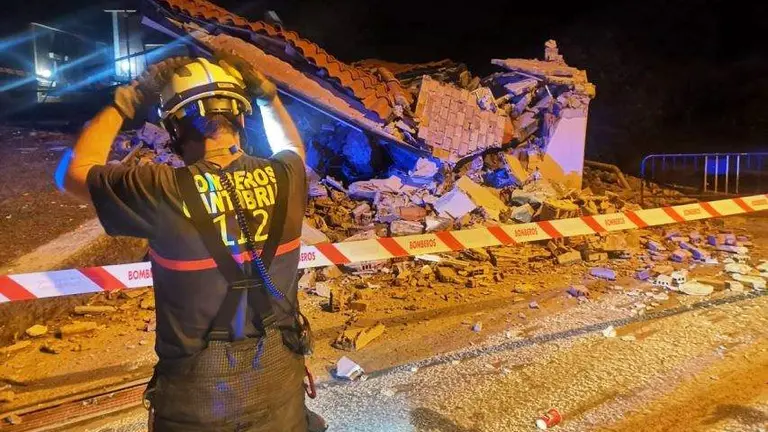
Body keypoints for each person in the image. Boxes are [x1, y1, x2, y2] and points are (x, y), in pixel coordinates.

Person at [58, 56, 326, 431]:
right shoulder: (288, 177)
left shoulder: (161, 189)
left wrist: (126, 101)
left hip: (197, 404)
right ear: (242, 119)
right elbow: (293, 149)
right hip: (279, 389)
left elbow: (71, 173)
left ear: (175, 130)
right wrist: (269, 97)